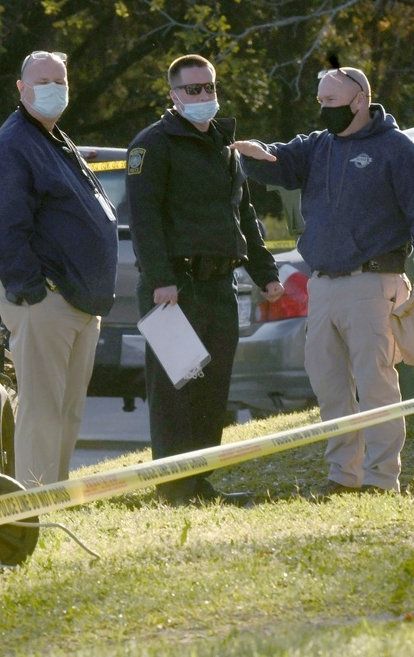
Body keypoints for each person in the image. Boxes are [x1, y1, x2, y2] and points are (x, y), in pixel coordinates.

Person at [231, 64, 414, 496]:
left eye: (331, 102)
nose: (323, 110)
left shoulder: (396, 148)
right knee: (328, 385)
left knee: (375, 384)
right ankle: (343, 477)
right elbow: (279, 162)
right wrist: (249, 153)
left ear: (360, 99)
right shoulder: (318, 147)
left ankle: (382, 479)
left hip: (372, 282)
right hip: (323, 284)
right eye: (320, 102)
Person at [126, 54, 284, 507]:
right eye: (192, 89)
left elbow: (244, 216)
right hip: (174, 288)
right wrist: (160, 279)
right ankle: (174, 489)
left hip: (219, 286)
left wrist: (266, 274)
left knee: (212, 390)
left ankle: (199, 482)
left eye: (209, 88)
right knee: (177, 390)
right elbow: (145, 220)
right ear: (172, 94)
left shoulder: (224, 145)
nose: (203, 97)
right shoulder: (152, 145)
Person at [0, 50, 118, 487]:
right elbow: (3, 226)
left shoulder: (53, 137)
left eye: (59, 81)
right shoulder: (12, 144)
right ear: (20, 88)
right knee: (42, 411)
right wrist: (34, 291)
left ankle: (53, 497)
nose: (53, 89)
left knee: (67, 411)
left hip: (78, 300)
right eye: (42, 81)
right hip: (46, 301)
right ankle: (32, 507)